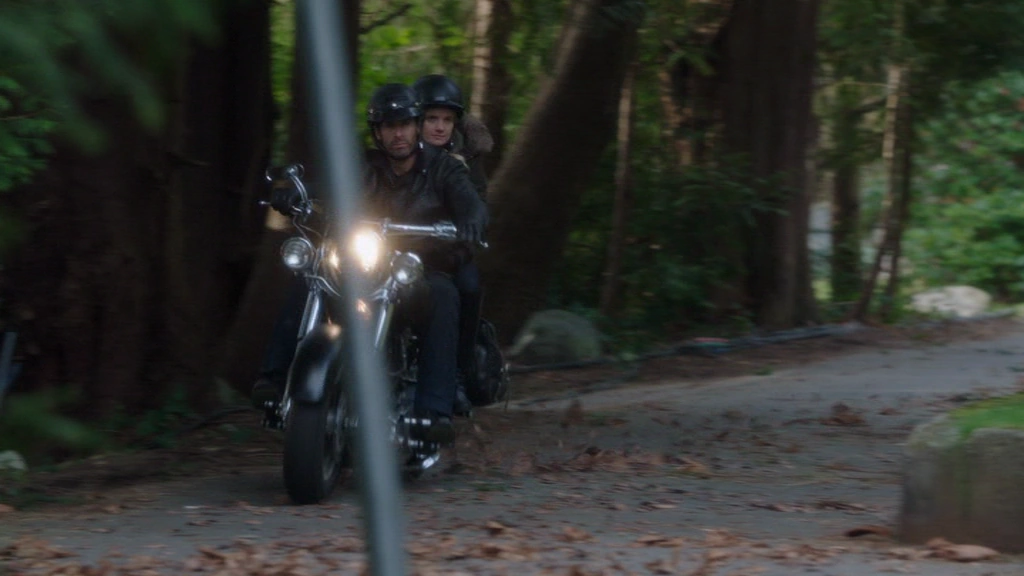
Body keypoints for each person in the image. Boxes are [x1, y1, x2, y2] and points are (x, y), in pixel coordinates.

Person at [253, 82, 488, 443]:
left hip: (416, 266)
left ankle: (433, 411)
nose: (399, 134)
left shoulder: (443, 167)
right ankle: (273, 378)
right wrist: (296, 193)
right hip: (364, 262)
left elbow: (469, 198)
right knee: (312, 273)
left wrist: (471, 217)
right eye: (389, 126)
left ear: (416, 126)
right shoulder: (364, 165)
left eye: (405, 124)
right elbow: (331, 185)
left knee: (443, 294)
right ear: (378, 132)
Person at [412, 74, 494, 415]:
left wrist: (464, 236)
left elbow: (478, 205)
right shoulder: (398, 150)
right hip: (397, 247)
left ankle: (459, 373)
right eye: (432, 118)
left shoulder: (467, 158)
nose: (439, 127)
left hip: (448, 251)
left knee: (469, 287)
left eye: (447, 120)